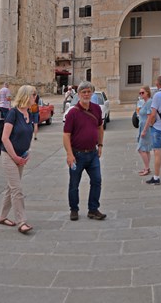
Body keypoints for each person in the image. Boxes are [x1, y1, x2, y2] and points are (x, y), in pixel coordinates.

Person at [63, 82, 105, 221]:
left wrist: (100, 145)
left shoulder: (96, 109)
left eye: (88, 91)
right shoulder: (73, 113)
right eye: (83, 92)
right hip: (77, 155)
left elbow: (100, 127)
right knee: (74, 184)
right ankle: (74, 209)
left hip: (93, 153)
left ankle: (93, 209)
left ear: (92, 93)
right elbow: (66, 135)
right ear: (79, 94)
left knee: (97, 181)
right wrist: (69, 154)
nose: (86, 94)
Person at [0, 85, 36, 234]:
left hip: (21, 156)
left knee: (11, 187)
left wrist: (27, 152)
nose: (35, 97)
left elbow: (28, 135)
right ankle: (22, 222)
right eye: (33, 95)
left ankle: (2, 217)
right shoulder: (13, 113)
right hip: (9, 155)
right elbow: (5, 138)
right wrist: (15, 157)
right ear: (26, 96)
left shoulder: (29, 113)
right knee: (17, 189)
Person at [135, 86, 153, 176]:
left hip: (146, 128)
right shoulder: (143, 102)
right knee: (146, 149)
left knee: (141, 149)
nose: (141, 94)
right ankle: (147, 168)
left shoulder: (149, 102)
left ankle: (146, 168)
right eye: (140, 93)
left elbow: (149, 117)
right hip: (142, 127)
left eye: (143, 93)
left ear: (147, 93)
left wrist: (144, 130)